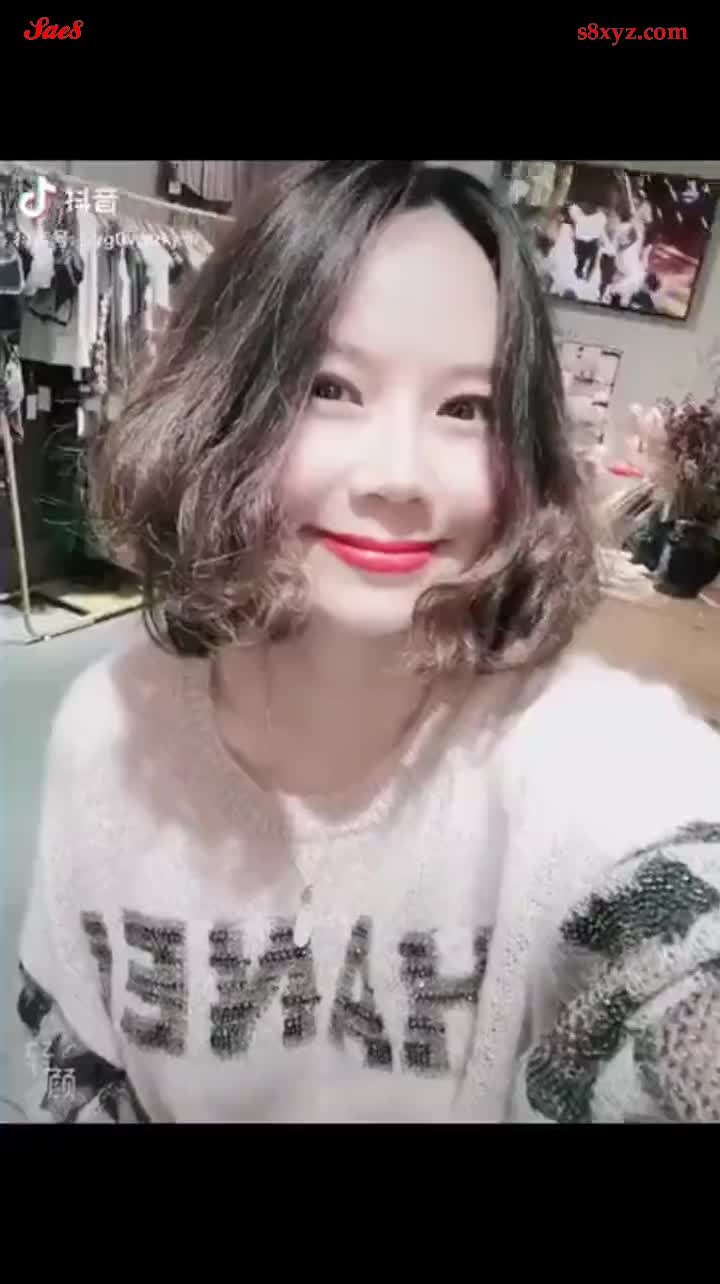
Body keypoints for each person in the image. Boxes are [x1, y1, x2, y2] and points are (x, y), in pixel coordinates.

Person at [17, 162, 720, 1124]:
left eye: (466, 409)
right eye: (331, 387)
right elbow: (68, 1072)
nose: (398, 475)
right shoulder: (111, 732)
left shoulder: (596, 766)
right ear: (226, 403)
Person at [568, 200, 606, 280]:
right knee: (589, 260)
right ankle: (585, 273)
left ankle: (581, 271)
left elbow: (573, 217)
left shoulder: (577, 211)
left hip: (583, 240)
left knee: (582, 259)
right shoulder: (601, 216)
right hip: (589, 241)